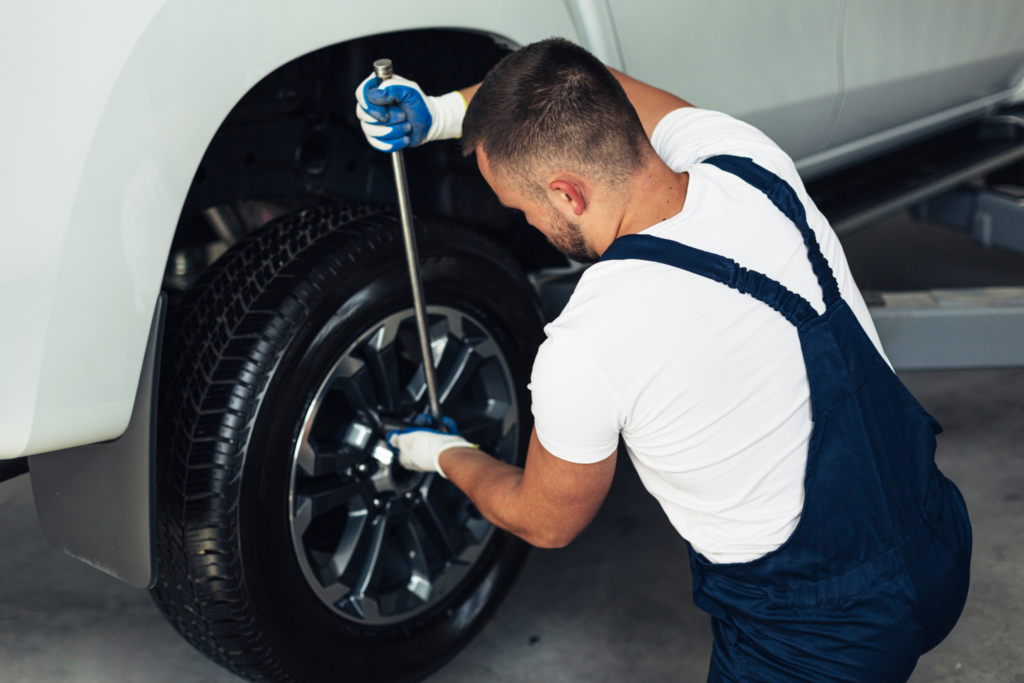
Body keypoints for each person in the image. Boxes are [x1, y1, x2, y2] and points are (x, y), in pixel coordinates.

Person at [354, 38, 972, 682]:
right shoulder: (747, 159)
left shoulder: (589, 339)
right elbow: (600, 83)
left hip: (815, 641)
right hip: (938, 543)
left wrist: (439, 454)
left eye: (522, 207)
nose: (529, 223)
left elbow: (545, 521)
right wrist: (441, 113)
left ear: (566, 195)